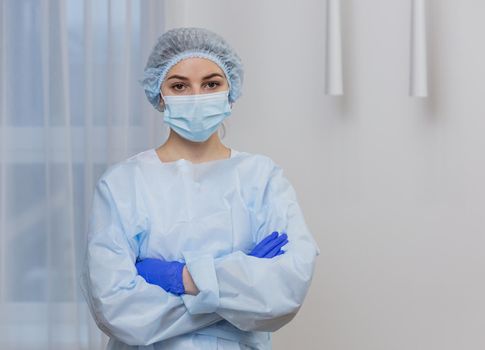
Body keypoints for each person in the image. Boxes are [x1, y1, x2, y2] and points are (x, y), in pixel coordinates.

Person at [80, 27, 320, 350]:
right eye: (179, 85)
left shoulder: (262, 179)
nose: (197, 96)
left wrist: (182, 278)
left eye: (211, 84)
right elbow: (116, 309)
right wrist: (238, 288)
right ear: (159, 94)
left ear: (230, 90)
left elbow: (285, 290)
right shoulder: (123, 185)